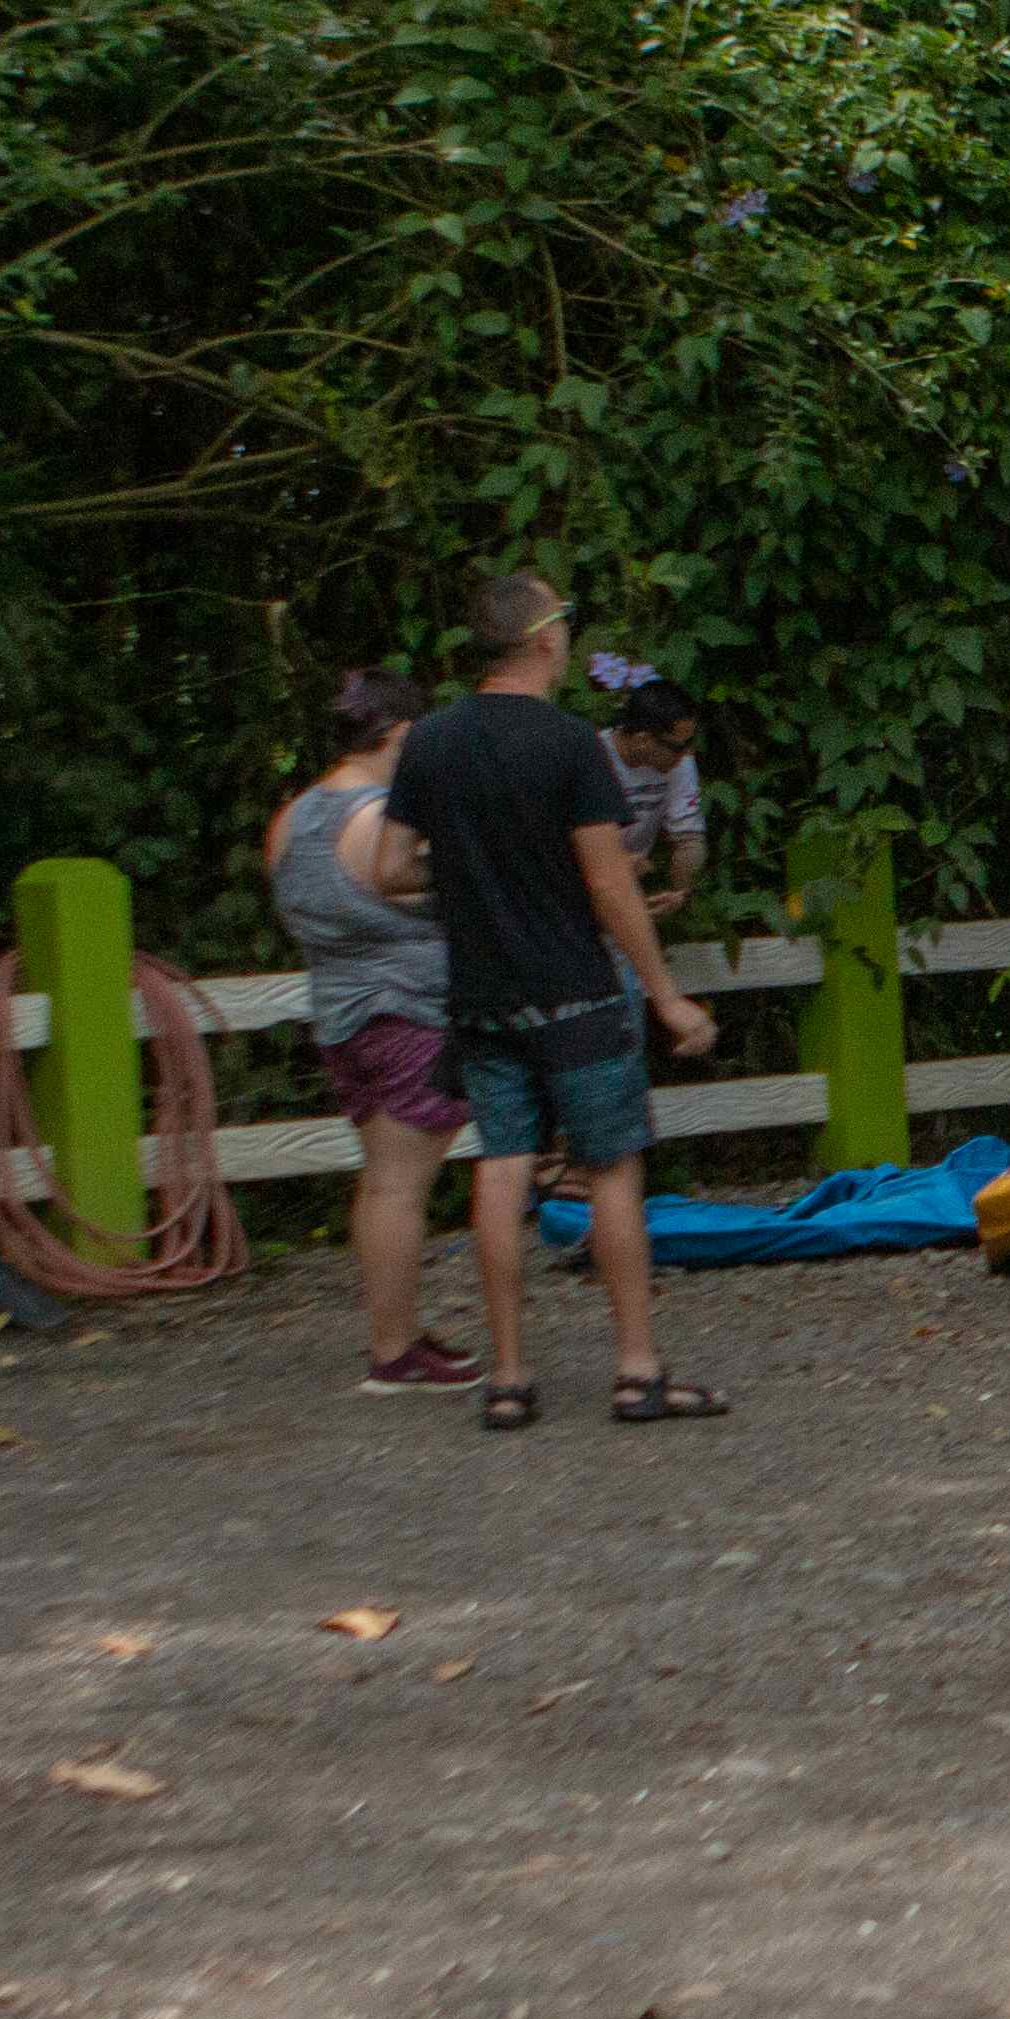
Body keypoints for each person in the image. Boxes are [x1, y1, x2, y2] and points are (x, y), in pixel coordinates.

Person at [355, 571, 729, 1428]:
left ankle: (511, 1379)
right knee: (611, 1169)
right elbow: (609, 883)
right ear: (547, 639)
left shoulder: (433, 743)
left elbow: (387, 869)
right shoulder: (570, 746)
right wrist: (668, 997)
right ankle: (636, 1370)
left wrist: (459, 875)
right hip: (576, 993)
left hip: (483, 995)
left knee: (501, 1165)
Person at [263, 669, 476, 1390]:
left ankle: (403, 1329)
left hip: (339, 1014)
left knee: (385, 1179)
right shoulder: (384, 818)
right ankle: (392, 1351)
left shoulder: (291, 819)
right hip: (410, 1011)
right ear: (399, 734)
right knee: (398, 1185)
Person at [604, 675, 709, 929]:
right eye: (678, 746)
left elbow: (689, 840)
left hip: (633, 887)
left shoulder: (679, 763)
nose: (686, 754)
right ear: (643, 740)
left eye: (690, 743)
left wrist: (680, 893)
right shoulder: (594, 757)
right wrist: (616, 867)